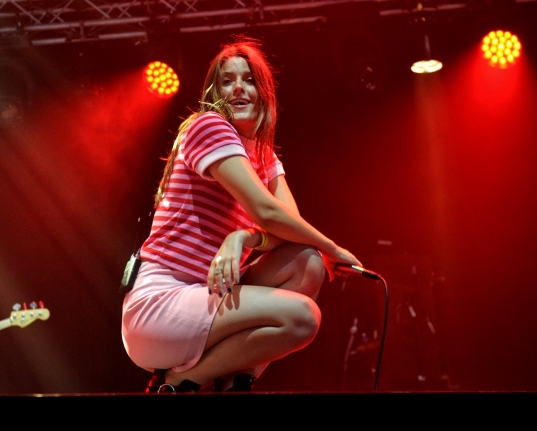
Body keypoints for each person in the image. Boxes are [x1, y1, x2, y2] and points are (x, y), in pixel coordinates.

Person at [120, 35, 365, 393]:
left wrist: (244, 237)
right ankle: (178, 383)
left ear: (264, 91)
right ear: (214, 91)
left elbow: (288, 225)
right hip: (160, 306)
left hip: (206, 296)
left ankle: (235, 382)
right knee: (302, 317)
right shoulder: (209, 126)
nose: (239, 88)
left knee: (307, 262)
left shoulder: (263, 155)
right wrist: (333, 247)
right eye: (227, 80)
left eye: (249, 79)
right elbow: (268, 212)